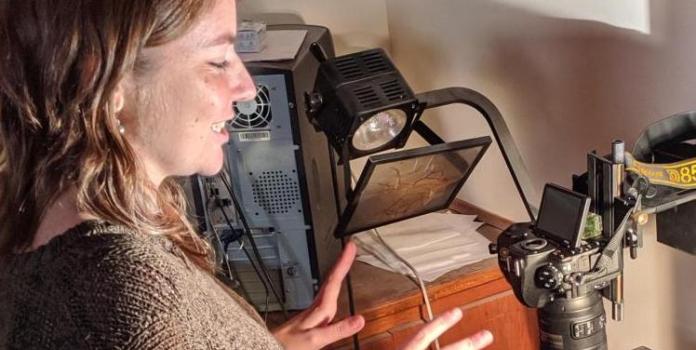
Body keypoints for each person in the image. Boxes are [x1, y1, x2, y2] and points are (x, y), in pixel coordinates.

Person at [0, 0, 495, 349]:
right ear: (104, 79)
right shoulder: (126, 296)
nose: (244, 87)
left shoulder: (50, 224)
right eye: (217, 59)